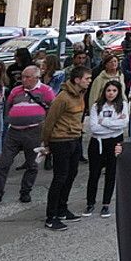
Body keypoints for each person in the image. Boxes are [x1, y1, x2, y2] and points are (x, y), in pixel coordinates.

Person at [0, 66, 54, 207]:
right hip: (14, 132)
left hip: (34, 131)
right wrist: (10, 120)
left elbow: (52, 108)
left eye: (27, 77)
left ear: (36, 78)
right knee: (4, 163)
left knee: (32, 164)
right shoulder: (16, 90)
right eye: (22, 76)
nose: (23, 79)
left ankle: (25, 191)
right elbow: (8, 106)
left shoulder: (46, 91)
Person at [41, 65, 91, 231]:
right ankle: (51, 216)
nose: (89, 81)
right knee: (60, 177)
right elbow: (50, 121)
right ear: (77, 80)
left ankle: (62, 208)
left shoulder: (80, 95)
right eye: (87, 78)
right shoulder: (62, 98)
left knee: (71, 174)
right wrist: (46, 143)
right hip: (60, 140)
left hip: (75, 138)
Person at [86, 79, 129, 216]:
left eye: (114, 91)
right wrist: (113, 123)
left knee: (111, 173)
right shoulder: (96, 106)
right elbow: (94, 127)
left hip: (115, 141)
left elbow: (123, 124)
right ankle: (90, 202)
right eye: (109, 90)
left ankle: (106, 203)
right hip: (98, 142)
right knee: (94, 173)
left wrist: (103, 121)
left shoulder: (122, 105)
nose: (111, 93)